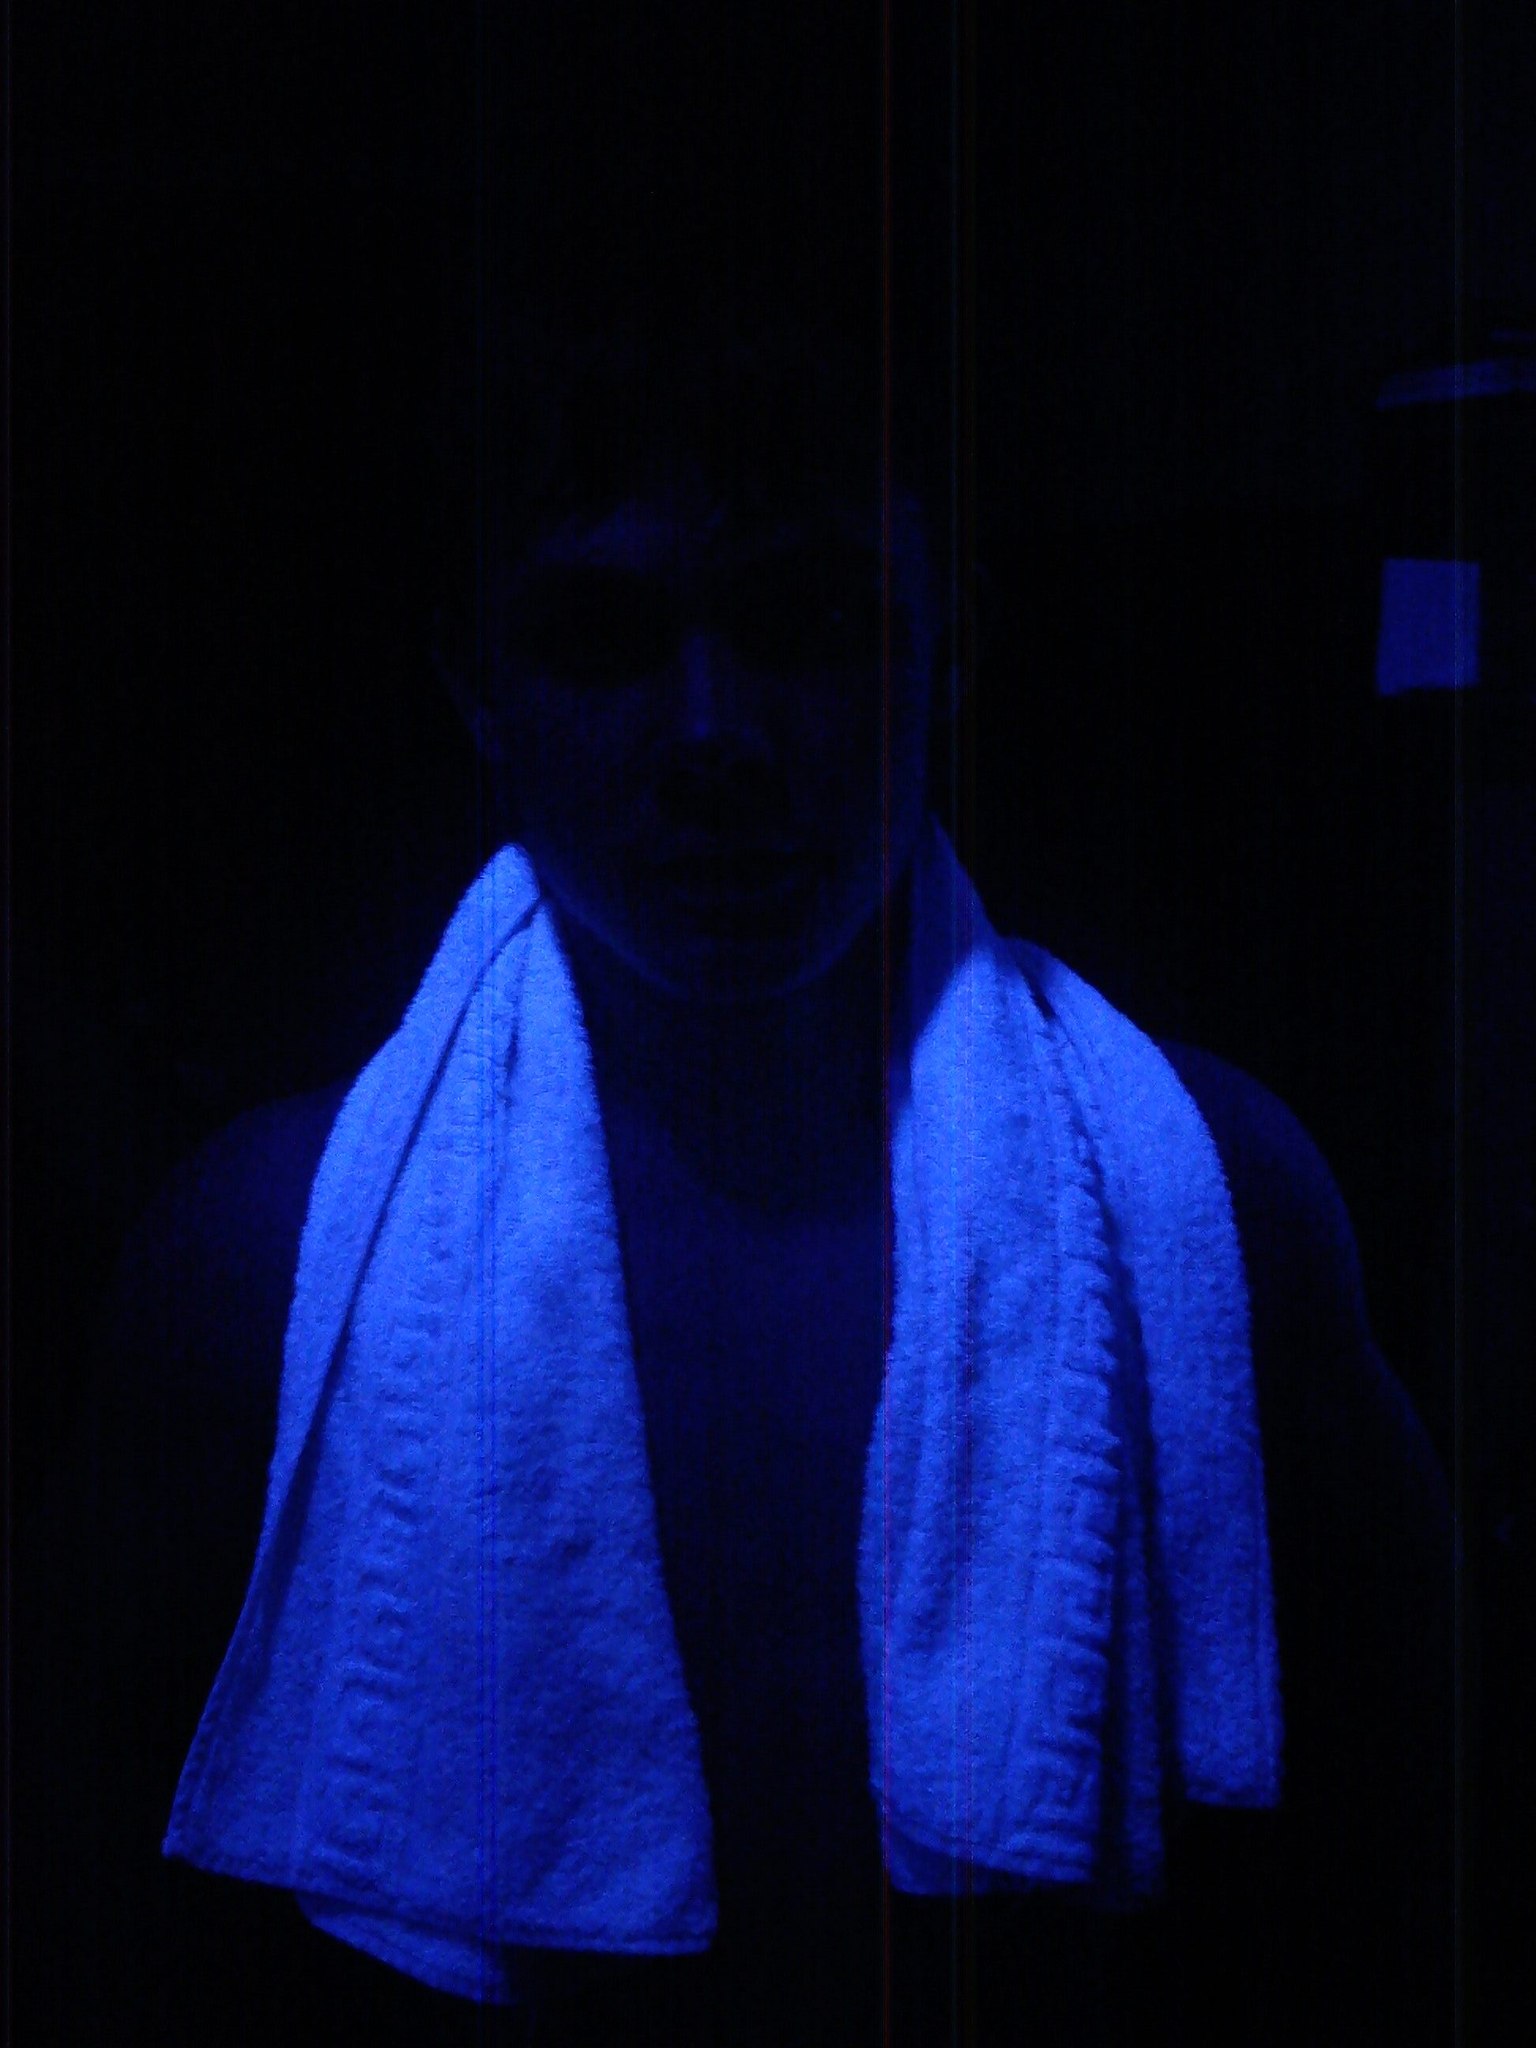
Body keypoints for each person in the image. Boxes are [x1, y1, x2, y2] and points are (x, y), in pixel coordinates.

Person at [19, 14, 1453, 2044]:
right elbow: (87, 1926)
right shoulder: (248, 1271)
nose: (710, 736)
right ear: (477, 684)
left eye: (800, 620)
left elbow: (1413, 1867)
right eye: (603, 638)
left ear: (951, 642)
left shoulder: (1217, 1207)